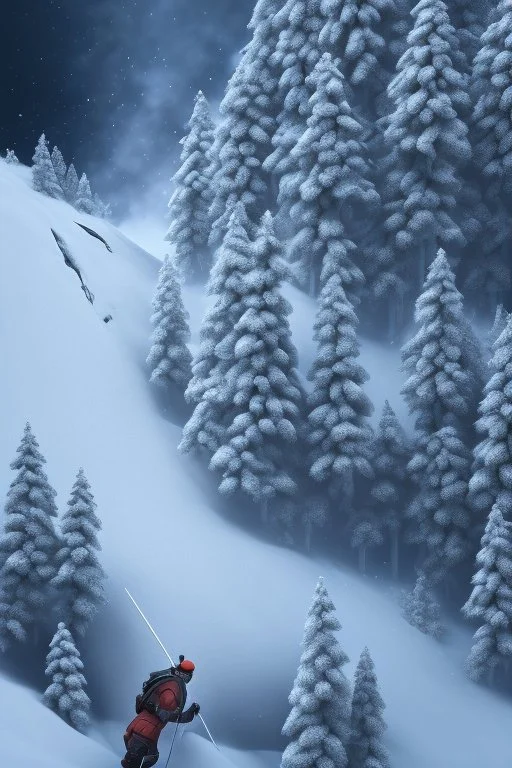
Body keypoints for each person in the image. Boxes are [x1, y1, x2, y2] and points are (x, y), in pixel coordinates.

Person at [121, 656, 200, 768]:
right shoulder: (174, 686)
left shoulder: (166, 678)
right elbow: (167, 714)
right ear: (188, 675)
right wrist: (190, 713)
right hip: (146, 733)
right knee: (134, 764)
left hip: (137, 728)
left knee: (150, 757)